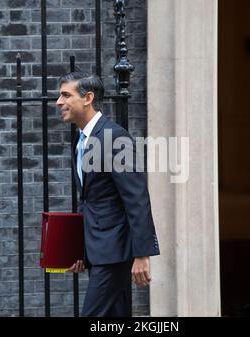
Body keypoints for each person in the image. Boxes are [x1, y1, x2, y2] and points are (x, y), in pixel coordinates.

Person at [56, 72, 160, 317]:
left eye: (65, 95)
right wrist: (80, 248)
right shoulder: (82, 141)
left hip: (115, 251)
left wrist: (142, 253)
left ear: (87, 98)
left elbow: (136, 197)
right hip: (99, 248)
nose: (58, 102)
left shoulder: (113, 137)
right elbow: (91, 200)